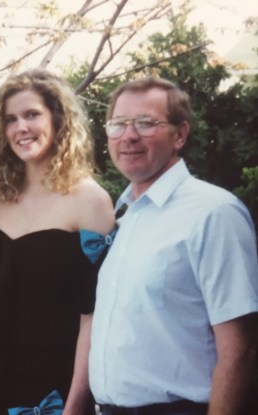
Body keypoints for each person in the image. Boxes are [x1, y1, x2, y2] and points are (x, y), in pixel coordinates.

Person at [89, 76, 258, 415]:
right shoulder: (125, 218)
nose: (129, 135)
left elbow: (241, 350)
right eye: (119, 124)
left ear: (180, 135)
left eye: (146, 123)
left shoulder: (213, 213)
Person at [0, 68, 116, 415]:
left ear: (58, 119)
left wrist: (75, 404)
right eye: (10, 119)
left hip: (56, 388)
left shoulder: (90, 201)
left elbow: (94, 316)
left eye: (32, 114)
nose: (21, 127)